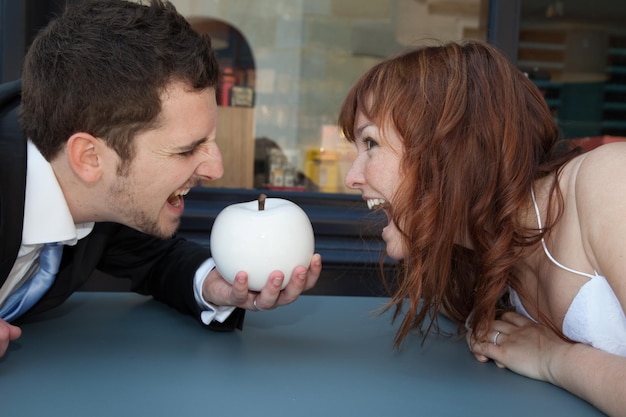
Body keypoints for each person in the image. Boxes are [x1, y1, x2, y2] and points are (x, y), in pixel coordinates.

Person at [0, 0, 321, 359]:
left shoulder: (102, 198)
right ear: (89, 158)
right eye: (186, 150)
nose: (215, 169)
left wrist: (216, 287)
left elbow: (155, 257)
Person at [339, 40, 626, 417]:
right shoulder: (479, 245)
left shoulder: (608, 180)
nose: (351, 177)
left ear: (448, 146)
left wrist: (553, 359)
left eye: (371, 143)